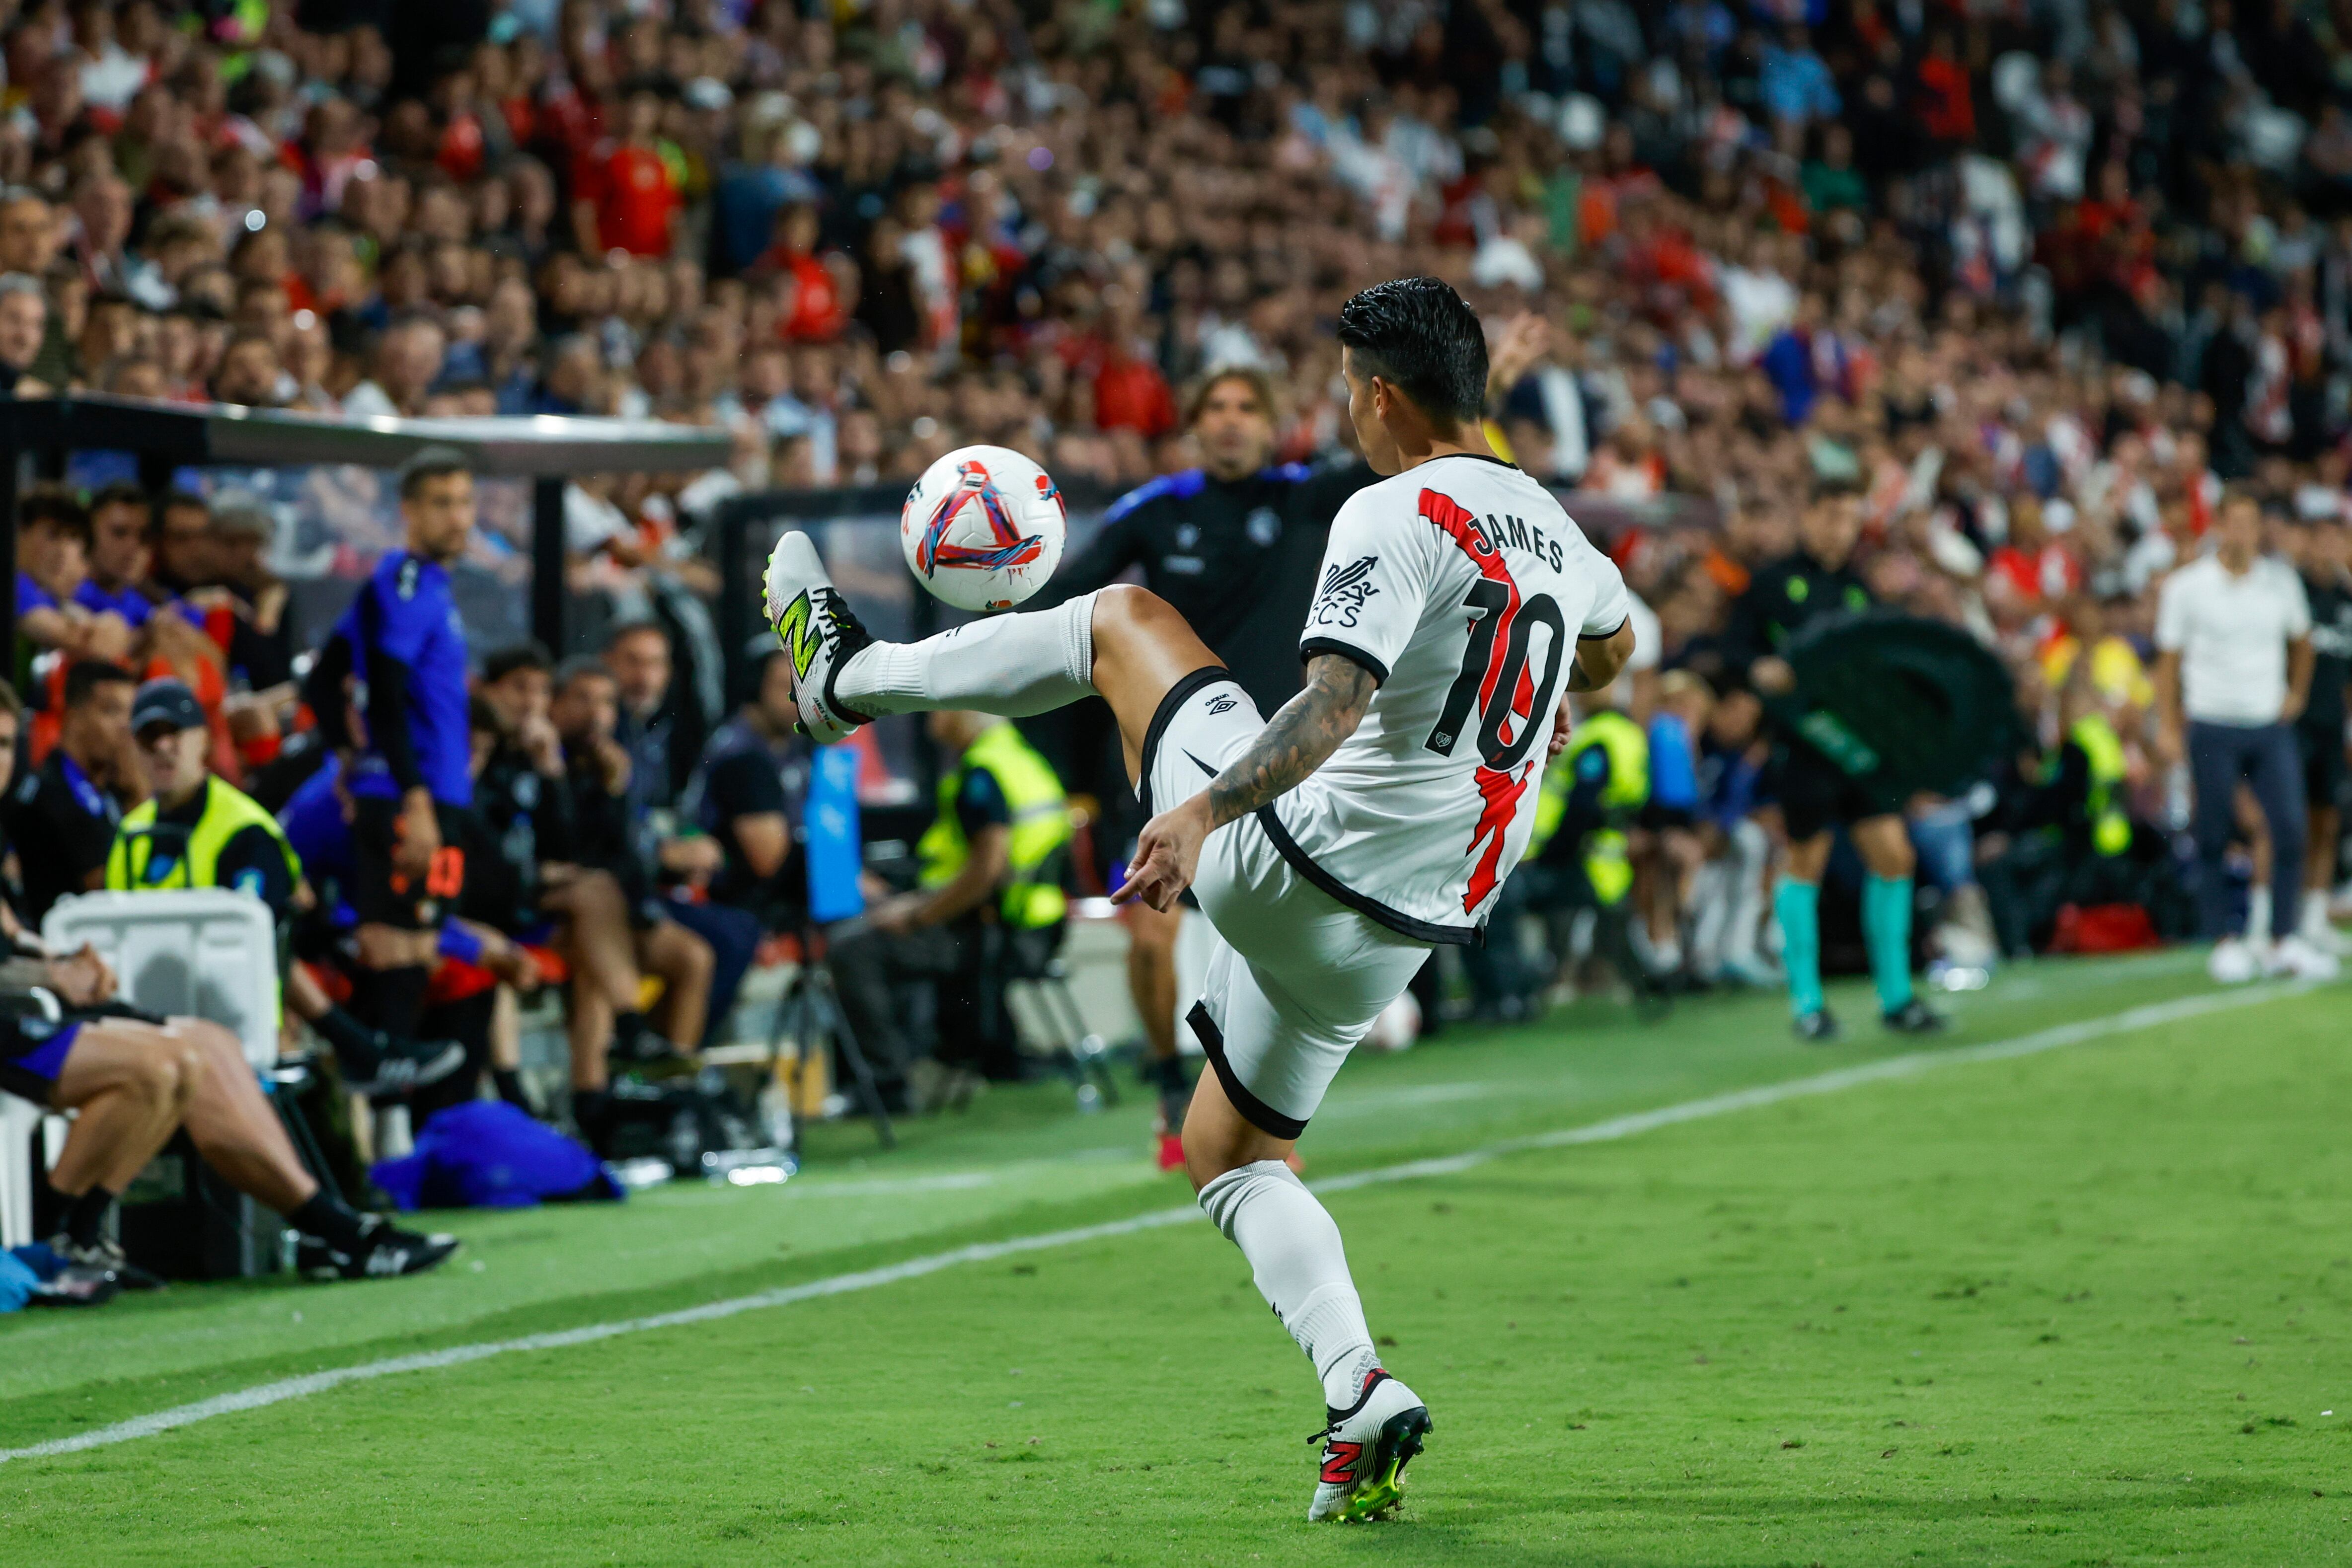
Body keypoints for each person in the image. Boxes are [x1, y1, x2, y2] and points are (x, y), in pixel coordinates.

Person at [766, 277, 1637, 1523]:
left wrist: (1201, 810)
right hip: (1404, 935)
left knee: (1121, 622)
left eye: (1347, 393)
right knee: (1229, 1151)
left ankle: (844, 679)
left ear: (1382, 396)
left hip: (1298, 860)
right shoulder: (1549, 521)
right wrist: (1545, 682)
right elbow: (1609, 650)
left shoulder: (1391, 508)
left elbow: (1331, 705)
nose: (1345, 416)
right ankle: (1358, 1392)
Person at [1045, 366, 1372, 1161]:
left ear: (1271, 424)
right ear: (1192, 426)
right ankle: (1166, 1088)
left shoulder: (1301, 499)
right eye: (1215, 409)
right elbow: (1064, 607)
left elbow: (1400, 453)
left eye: (1245, 409)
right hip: (1168, 755)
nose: (1229, 423)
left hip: (1271, 763)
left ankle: (1254, 1115)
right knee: (1150, 938)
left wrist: (1489, 379)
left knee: (1266, 948)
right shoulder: (1153, 514)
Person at [107, 677, 465, 1097]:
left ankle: (372, 1068)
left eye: (175, 734)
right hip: (146, 1014)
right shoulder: (130, 831)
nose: (164, 747)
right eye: (150, 737)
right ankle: (364, 1053)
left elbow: (252, 943)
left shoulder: (245, 827)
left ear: (203, 739)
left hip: (228, 1021)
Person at [1724, 487, 1943, 1040]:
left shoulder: (1857, 589)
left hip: (1859, 748)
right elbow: (1733, 652)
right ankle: (1807, 1005)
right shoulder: (1773, 584)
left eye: (1850, 518)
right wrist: (1759, 672)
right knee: (1806, 863)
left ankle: (1896, 997)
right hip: (1806, 744)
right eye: (1831, 515)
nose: (1841, 529)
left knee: (1895, 857)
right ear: (1808, 515)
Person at [2154, 490, 2336, 981]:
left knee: (2290, 828)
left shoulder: (2279, 584)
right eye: (2233, 522)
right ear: (2217, 525)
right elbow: (2168, 662)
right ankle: (2223, 940)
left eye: (2250, 523)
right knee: (2213, 832)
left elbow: (2303, 643)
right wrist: (2168, 724)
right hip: (2212, 718)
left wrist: (2294, 695)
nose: (2242, 533)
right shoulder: (2187, 587)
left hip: (2266, 721)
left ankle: (2283, 938)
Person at [10, 660, 144, 924]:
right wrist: (141, 793)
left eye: (130, 714)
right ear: (73, 715)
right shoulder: (50, 794)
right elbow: (109, 890)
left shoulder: (109, 791)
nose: (125, 726)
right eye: (111, 711)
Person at [2289, 511, 2351, 953]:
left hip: (2333, 726)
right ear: (2309, 544)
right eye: (2322, 538)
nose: (2328, 548)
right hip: (2294, 725)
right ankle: (2283, 917)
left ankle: (2313, 917)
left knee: (2326, 821)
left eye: (2337, 540)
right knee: (2289, 823)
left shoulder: (2348, 599)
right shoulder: (2293, 594)